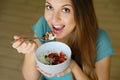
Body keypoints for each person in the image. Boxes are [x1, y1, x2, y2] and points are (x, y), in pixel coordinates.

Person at [12, 0, 114, 80]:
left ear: (82, 13)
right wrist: (31, 51)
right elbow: (30, 78)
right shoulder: (44, 25)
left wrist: (73, 66)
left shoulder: (100, 40)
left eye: (65, 10)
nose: (54, 20)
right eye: (49, 7)